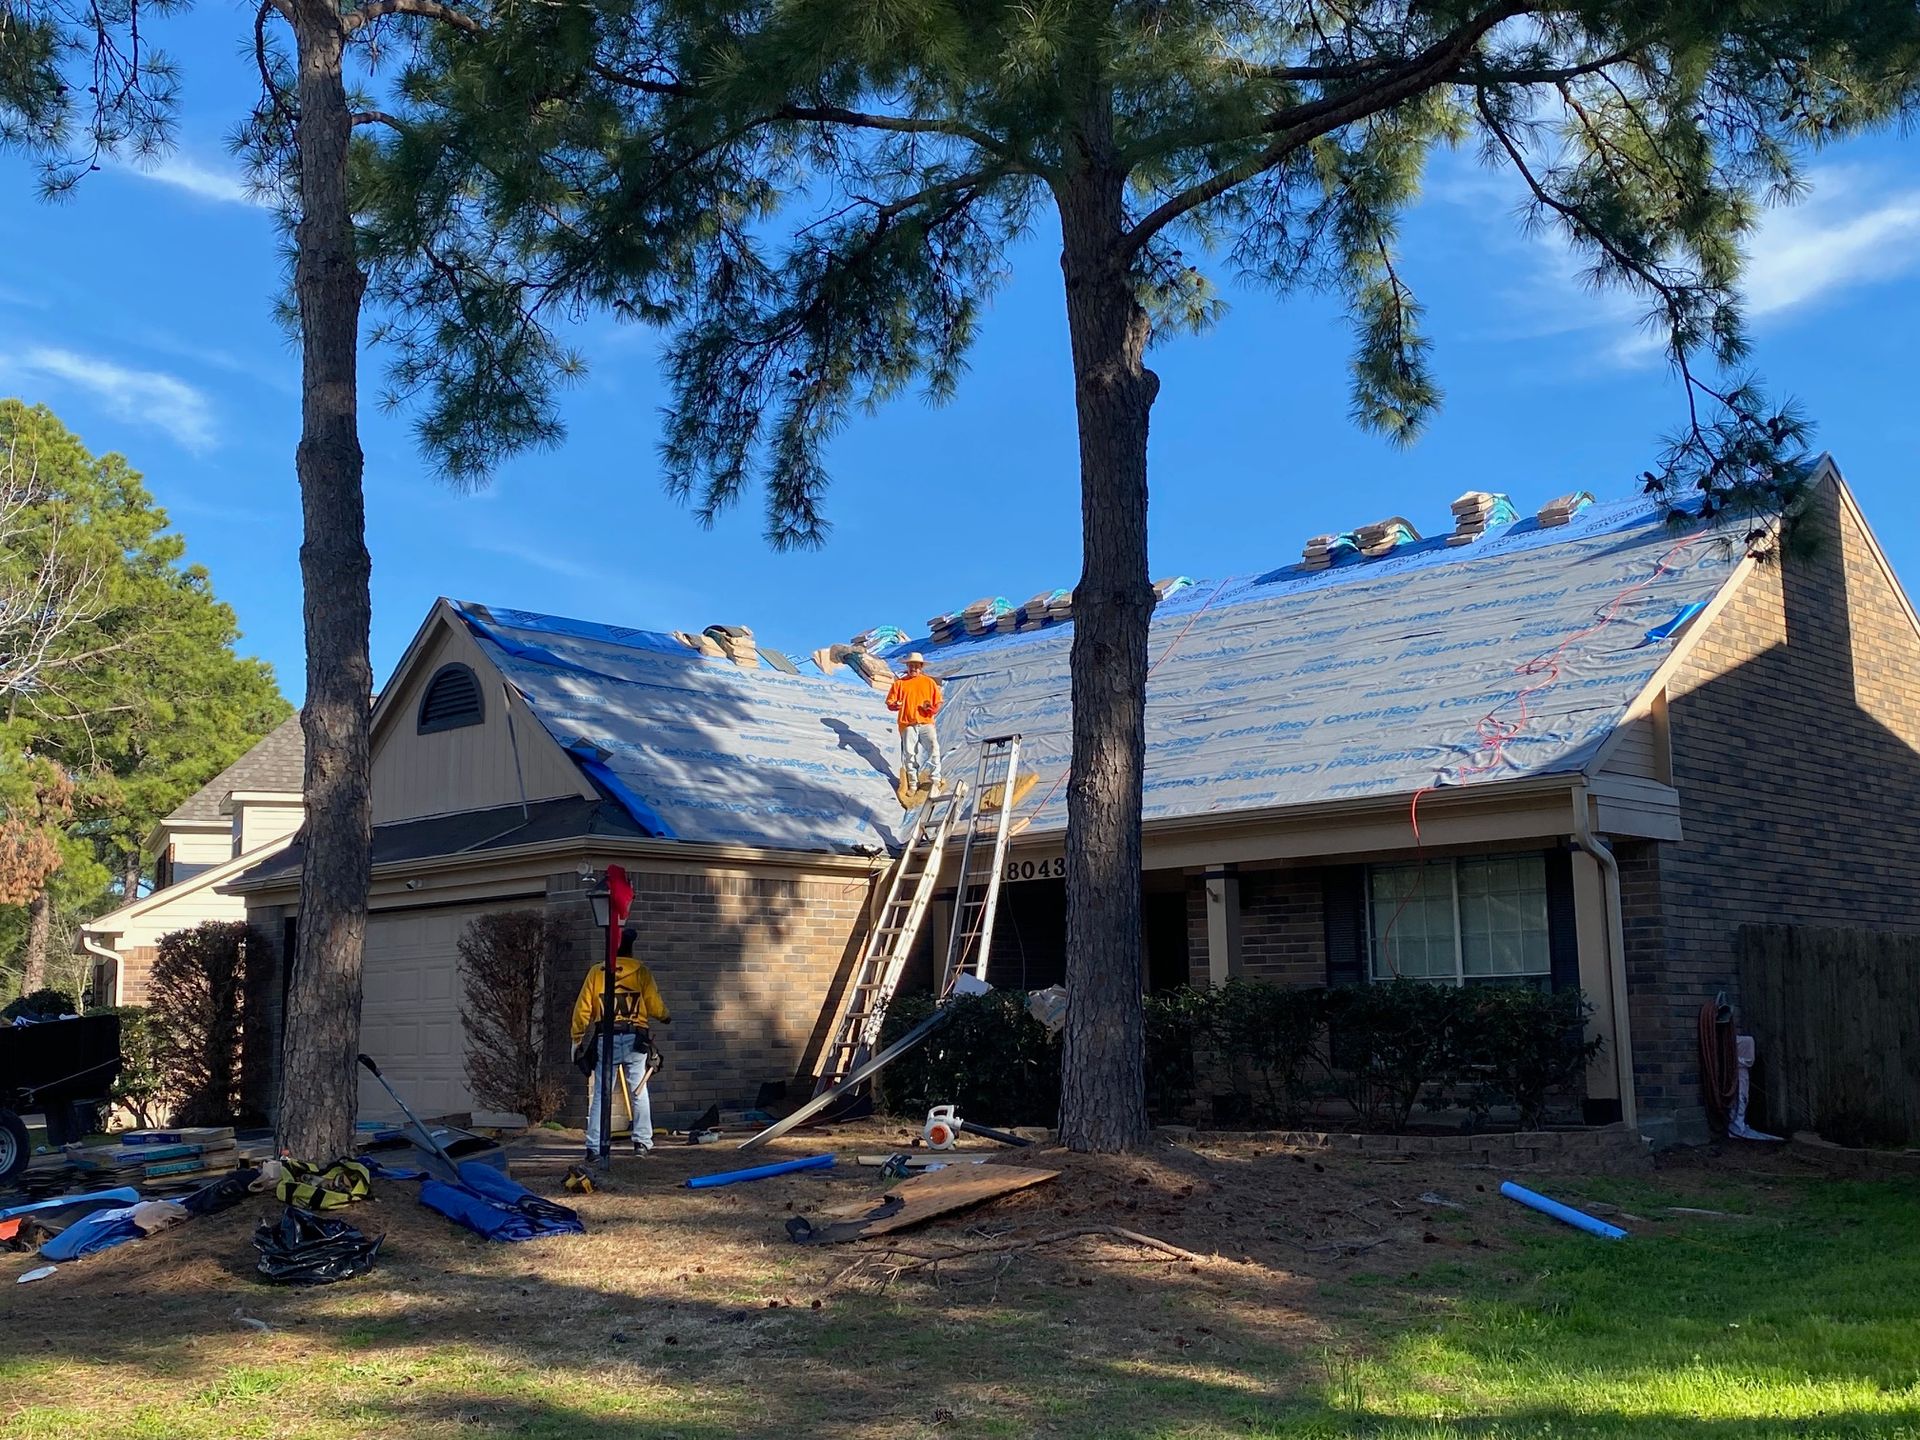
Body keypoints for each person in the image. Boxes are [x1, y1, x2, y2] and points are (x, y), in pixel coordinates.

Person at [569, 925, 671, 1159]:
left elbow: (582, 1010)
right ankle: (642, 1143)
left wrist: (576, 1039)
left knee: (602, 1094)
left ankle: (594, 1147)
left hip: (606, 1039)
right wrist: (665, 1016)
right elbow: (654, 1004)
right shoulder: (641, 972)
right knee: (639, 1090)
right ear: (630, 949)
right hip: (636, 1039)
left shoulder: (597, 972)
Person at [885, 652, 943, 791]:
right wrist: (895, 705)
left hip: (925, 722)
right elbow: (890, 702)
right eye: (911, 666)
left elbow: (938, 702)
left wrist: (932, 709)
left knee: (934, 749)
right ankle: (912, 783)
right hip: (908, 724)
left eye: (916, 666)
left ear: (921, 667)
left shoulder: (929, 682)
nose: (913, 669)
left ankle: (935, 779)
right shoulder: (899, 684)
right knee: (910, 754)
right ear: (907, 666)